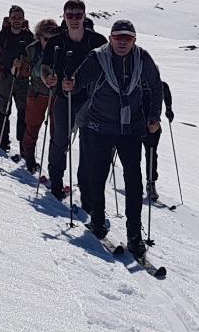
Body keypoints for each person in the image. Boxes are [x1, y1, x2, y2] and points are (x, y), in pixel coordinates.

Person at [68, 19, 164, 254]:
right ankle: (98, 221)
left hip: (131, 129)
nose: (122, 42)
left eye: (127, 38)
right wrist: (68, 85)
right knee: (97, 177)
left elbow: (156, 86)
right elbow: (78, 82)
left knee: (134, 183)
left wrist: (154, 117)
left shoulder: (143, 59)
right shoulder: (97, 57)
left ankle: (134, 235)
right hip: (100, 127)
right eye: (118, 37)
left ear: (134, 40)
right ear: (110, 38)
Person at [40, 0, 105, 200]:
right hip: (63, 97)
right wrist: (47, 78)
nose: (74, 19)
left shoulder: (98, 42)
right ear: (64, 17)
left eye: (78, 15)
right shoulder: (55, 42)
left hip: (91, 101)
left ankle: (86, 190)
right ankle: (56, 183)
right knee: (60, 141)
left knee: (89, 146)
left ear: (84, 16)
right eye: (70, 15)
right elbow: (45, 66)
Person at [17, 19, 58, 172]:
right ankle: (29, 158)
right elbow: (23, 71)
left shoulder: (59, 48)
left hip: (55, 95)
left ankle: (54, 165)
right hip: (37, 92)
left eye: (52, 38)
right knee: (32, 126)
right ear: (39, 36)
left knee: (56, 132)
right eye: (46, 38)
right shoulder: (32, 50)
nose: (49, 42)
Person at [0, 5, 35, 154]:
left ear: (23, 19)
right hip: (5, 77)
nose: (16, 20)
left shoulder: (29, 36)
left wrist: (24, 64)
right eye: (14, 17)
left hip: (22, 79)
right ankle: (3, 141)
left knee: (23, 112)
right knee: (4, 110)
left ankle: (23, 145)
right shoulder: (3, 35)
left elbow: (34, 56)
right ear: (9, 19)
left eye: (19, 17)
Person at [145, 80, 173, 202]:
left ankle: (151, 183)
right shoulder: (138, 83)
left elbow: (167, 95)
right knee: (146, 154)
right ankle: (138, 183)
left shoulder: (162, 85)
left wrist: (169, 109)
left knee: (151, 153)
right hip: (138, 124)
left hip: (153, 125)